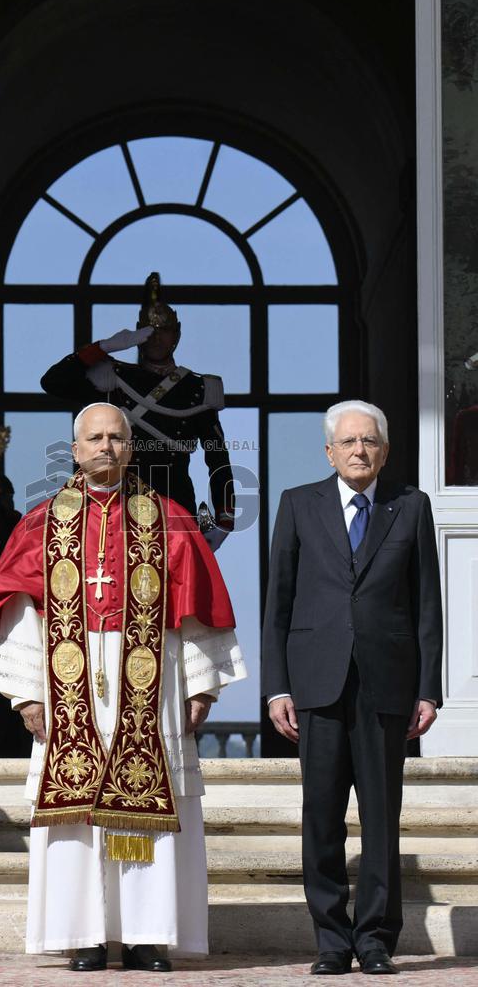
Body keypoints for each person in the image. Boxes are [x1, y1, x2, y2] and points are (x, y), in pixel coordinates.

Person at [0, 402, 246, 972]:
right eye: (93, 438)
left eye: (116, 438)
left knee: (151, 798)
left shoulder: (169, 519)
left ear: (131, 447)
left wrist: (201, 686)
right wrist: (25, 692)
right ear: (75, 449)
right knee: (74, 814)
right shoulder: (40, 522)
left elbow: (195, 610)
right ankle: (85, 935)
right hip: (66, 679)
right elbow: (21, 609)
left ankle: (148, 935)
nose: (105, 447)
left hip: (151, 677)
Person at [262, 400, 442, 976]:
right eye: (349, 442)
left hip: (387, 686)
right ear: (329, 452)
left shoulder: (410, 508)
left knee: (382, 818)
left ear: (384, 452)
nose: (359, 450)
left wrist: (429, 689)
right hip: (316, 684)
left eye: (370, 442)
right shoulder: (297, 505)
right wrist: (276, 688)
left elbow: (426, 607)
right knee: (321, 816)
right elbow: (278, 607)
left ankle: (375, 940)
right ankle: (332, 940)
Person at [41, 272, 235, 551]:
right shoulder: (112, 377)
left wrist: (225, 518)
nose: (156, 337)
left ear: (176, 334)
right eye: (148, 330)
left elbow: (218, 458)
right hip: (115, 501)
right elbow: (53, 382)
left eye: (164, 330)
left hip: (175, 503)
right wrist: (104, 347)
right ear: (137, 334)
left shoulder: (197, 388)